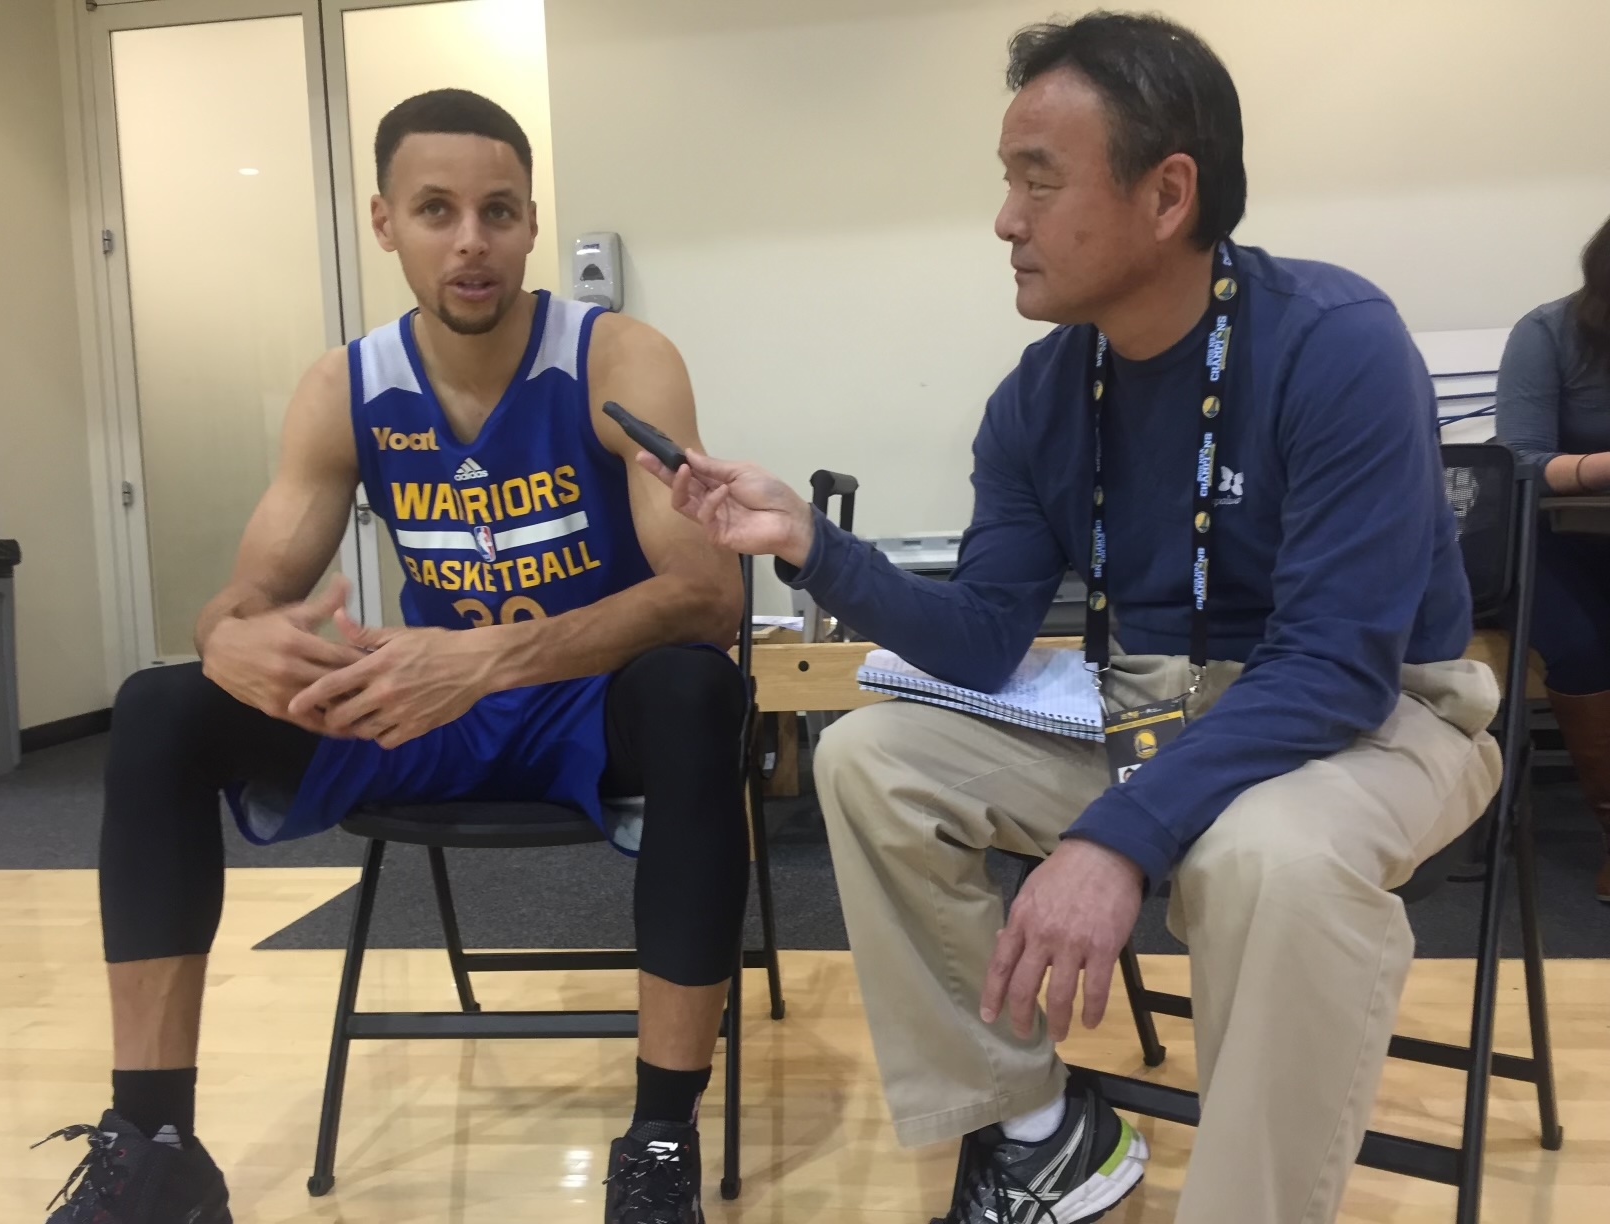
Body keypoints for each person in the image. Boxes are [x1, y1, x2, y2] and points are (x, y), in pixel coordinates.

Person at [643, 14, 1502, 1224]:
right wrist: (812, 548)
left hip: (1373, 718)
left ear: (1168, 194)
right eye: (1007, 181)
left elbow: (1332, 671)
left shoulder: (1335, 344)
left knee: (1275, 857)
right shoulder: (1042, 394)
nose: (1004, 219)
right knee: (871, 761)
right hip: (1149, 705)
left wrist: (1115, 837)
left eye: (1036, 180)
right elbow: (988, 634)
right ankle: (1039, 1133)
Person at [36, 89, 746, 1224]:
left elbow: (708, 595)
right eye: (437, 210)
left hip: (583, 705)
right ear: (386, 224)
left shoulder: (617, 358)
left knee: (700, 692)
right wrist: (231, 637)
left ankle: (658, 1142)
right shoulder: (346, 386)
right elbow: (249, 591)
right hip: (420, 707)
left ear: (527, 224)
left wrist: (493, 660)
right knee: (161, 707)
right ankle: (155, 1137)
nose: (472, 240)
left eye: (499, 212)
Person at [1495, 212, 1610, 904]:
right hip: (1557, 540)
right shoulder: (1548, 335)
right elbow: (1519, 461)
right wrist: (1601, 467)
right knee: (1585, 646)